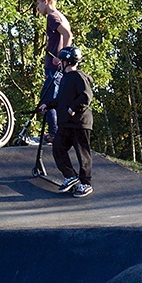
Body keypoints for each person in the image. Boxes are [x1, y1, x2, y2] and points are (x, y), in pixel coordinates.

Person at [39, 46, 94, 198]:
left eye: (61, 61)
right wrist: (48, 104)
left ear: (66, 62)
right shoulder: (65, 79)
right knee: (58, 147)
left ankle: (86, 183)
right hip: (66, 123)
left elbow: (86, 96)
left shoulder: (78, 76)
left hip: (79, 122)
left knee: (82, 153)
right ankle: (70, 176)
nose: (59, 65)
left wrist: (73, 108)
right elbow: (61, 100)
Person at [32, 0, 73, 145]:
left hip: (54, 66)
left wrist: (61, 56)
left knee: (47, 99)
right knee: (53, 98)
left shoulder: (52, 17)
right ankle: (55, 131)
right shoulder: (61, 16)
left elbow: (68, 35)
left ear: (46, 1)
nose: (37, 8)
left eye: (38, 4)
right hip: (57, 65)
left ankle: (54, 134)